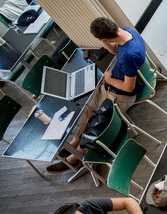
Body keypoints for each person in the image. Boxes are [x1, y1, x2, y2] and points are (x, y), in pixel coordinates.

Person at [46, 17, 146, 174]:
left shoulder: (129, 55)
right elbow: (115, 50)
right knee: (88, 111)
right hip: (110, 86)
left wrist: (109, 79)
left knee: (95, 123)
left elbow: (128, 87)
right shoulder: (127, 31)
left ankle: (76, 158)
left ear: (105, 36)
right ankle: (75, 142)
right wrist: (105, 41)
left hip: (121, 94)